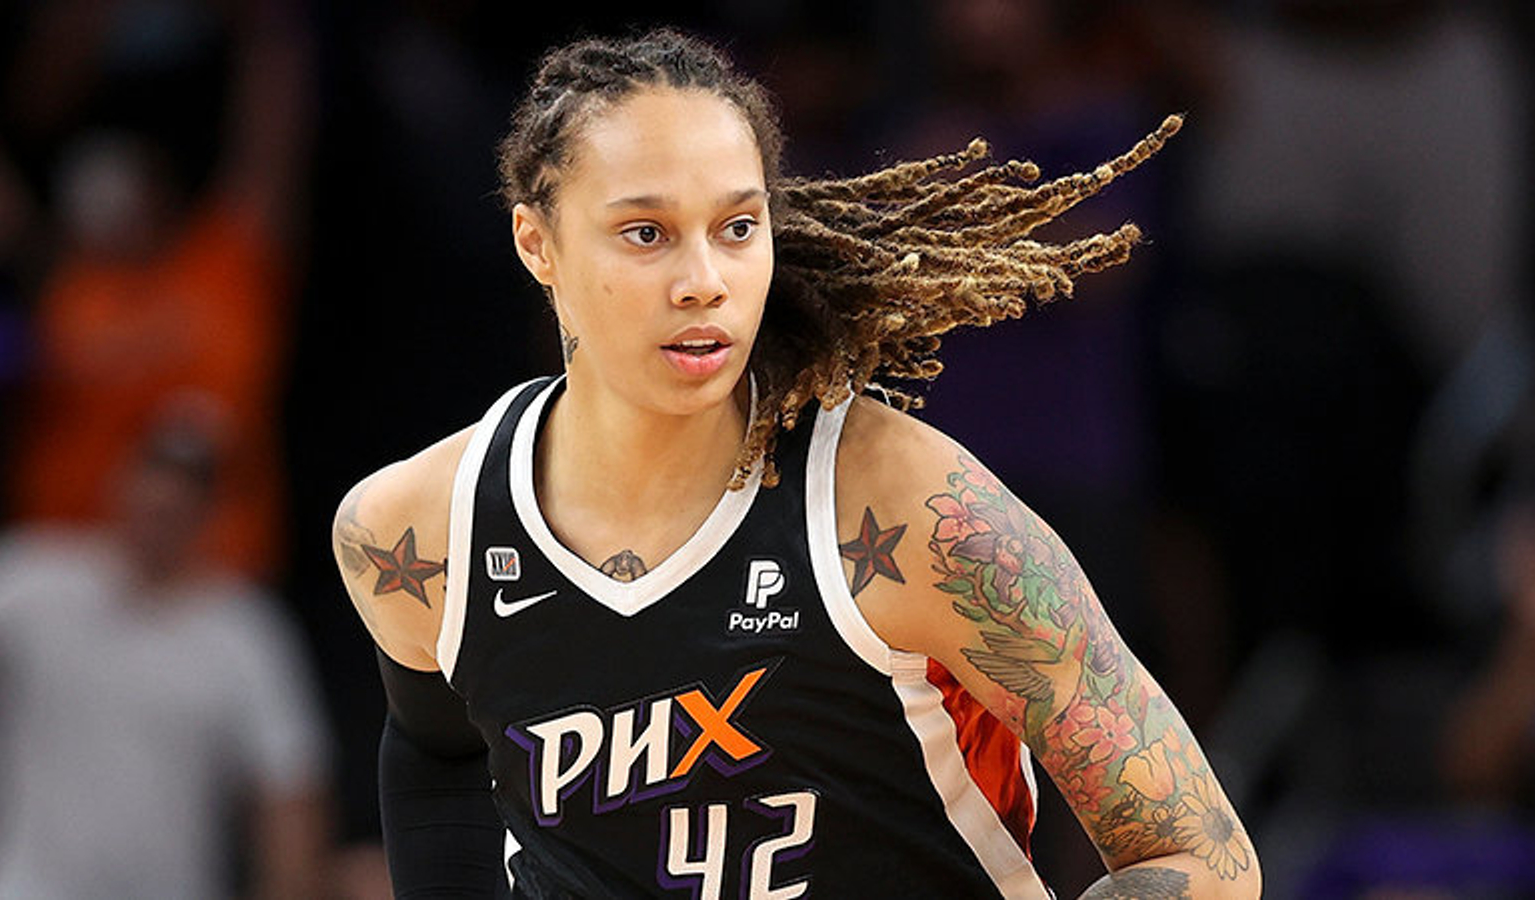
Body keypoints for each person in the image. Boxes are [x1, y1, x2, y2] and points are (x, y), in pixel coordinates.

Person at [332, 29, 1258, 899]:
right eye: (646, 233)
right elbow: (434, 755)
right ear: (537, 243)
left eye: (737, 227)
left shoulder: (907, 508)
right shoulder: (416, 533)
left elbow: (1203, 856)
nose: (704, 281)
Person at [0, 400, 331, 900]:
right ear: (121, 479)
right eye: (153, 473)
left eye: (187, 487)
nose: (164, 499)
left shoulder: (245, 631)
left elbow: (288, 789)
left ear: (211, 508)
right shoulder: (38, 576)